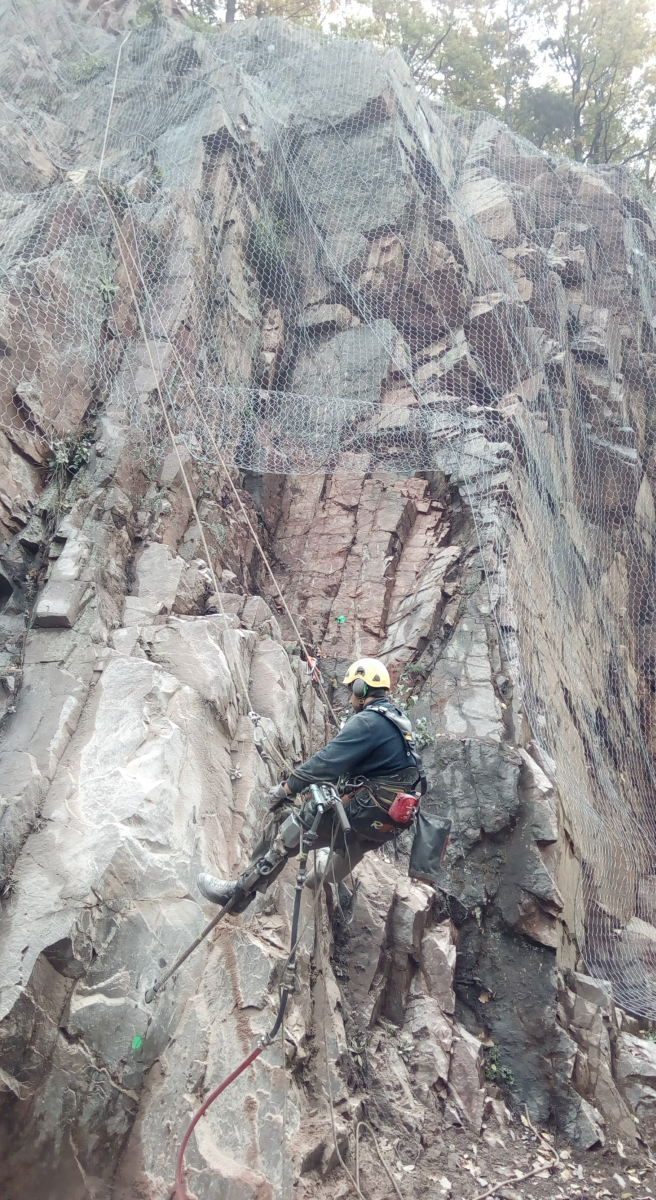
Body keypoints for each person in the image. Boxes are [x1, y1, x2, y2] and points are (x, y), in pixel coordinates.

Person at [197, 657, 426, 910]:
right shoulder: (399, 722)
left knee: (288, 823)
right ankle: (318, 877)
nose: (350, 696)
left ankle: (239, 894)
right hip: (389, 822)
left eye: (352, 689)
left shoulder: (368, 722)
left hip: (366, 810)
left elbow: (325, 763)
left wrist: (287, 788)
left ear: (362, 689)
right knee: (351, 844)